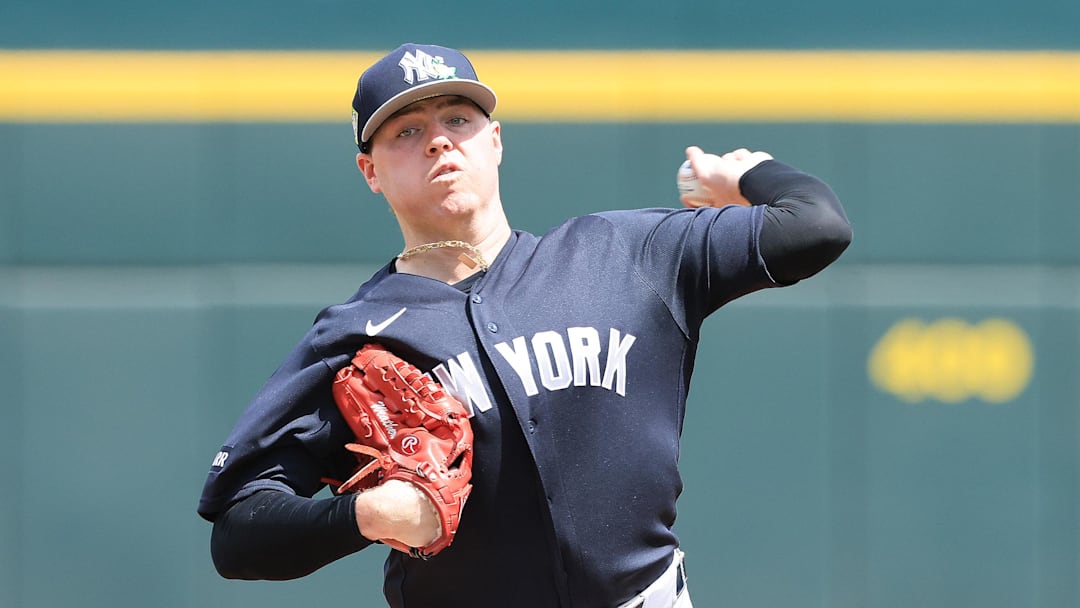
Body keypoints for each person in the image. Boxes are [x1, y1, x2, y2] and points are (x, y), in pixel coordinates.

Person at [198, 42, 852, 608]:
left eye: (459, 117)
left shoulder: (624, 254)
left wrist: (743, 174)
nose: (438, 139)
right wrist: (364, 514)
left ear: (496, 140)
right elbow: (240, 532)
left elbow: (816, 227)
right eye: (405, 130)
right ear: (370, 170)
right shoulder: (355, 336)